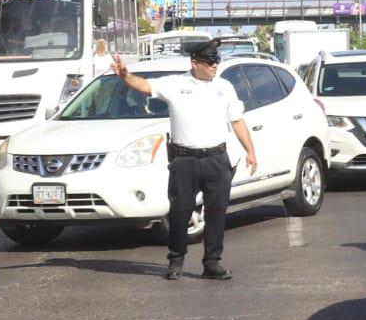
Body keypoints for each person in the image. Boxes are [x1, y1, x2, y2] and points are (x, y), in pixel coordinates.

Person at [110, 41, 257, 281]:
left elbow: (237, 121)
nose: (214, 65)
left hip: (217, 158)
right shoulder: (176, 83)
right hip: (185, 160)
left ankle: (212, 262)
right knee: (180, 212)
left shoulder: (225, 87)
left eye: (216, 60)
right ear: (195, 63)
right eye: (209, 61)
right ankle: (176, 260)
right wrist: (125, 75)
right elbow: (144, 86)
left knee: (217, 212)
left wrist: (250, 150)